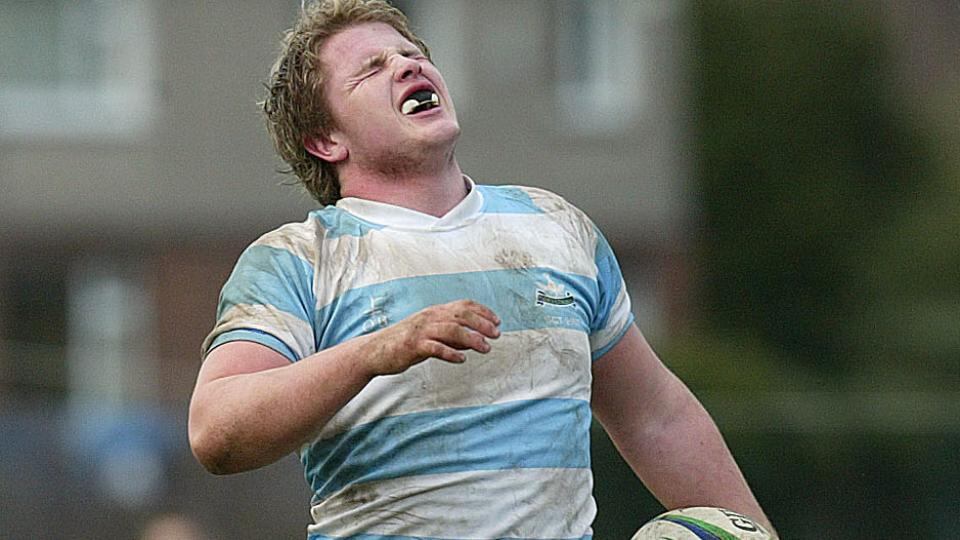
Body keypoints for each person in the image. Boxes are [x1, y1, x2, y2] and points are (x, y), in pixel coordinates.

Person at [187, 1, 776, 538]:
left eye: (414, 55)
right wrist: (372, 352)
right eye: (371, 69)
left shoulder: (556, 227)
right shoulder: (297, 261)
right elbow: (217, 432)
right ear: (325, 139)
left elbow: (657, 418)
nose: (407, 66)